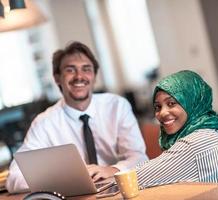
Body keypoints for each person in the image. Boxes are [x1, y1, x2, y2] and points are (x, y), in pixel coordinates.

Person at [6, 41, 148, 193]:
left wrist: (112, 169)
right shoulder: (43, 123)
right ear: (57, 78)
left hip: (120, 191)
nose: (79, 76)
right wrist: (60, 180)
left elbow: (139, 158)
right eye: (70, 70)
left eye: (86, 69)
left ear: (94, 76)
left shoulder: (117, 106)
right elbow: (14, 177)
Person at [136, 70, 218, 189]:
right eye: (157, 107)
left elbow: (135, 178)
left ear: (192, 102)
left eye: (171, 103)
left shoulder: (194, 144)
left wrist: (117, 173)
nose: (162, 113)